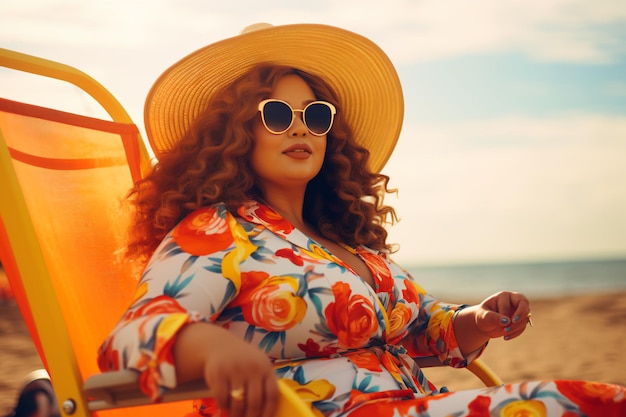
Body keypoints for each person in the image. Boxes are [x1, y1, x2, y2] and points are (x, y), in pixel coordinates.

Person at [97, 23, 626, 417]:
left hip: (413, 404)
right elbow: (129, 337)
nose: (300, 127)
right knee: (579, 403)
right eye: (277, 114)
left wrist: (476, 319)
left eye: (316, 115)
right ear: (235, 135)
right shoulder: (218, 231)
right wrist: (208, 347)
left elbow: (417, 328)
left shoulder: (341, 241)